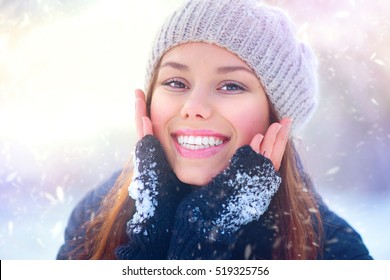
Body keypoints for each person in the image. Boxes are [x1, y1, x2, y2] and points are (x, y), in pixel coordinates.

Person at [57, 0, 372, 260]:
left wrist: (207, 231)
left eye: (231, 85)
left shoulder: (333, 252)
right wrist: (151, 233)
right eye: (175, 82)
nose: (194, 106)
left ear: (278, 118)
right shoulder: (96, 215)